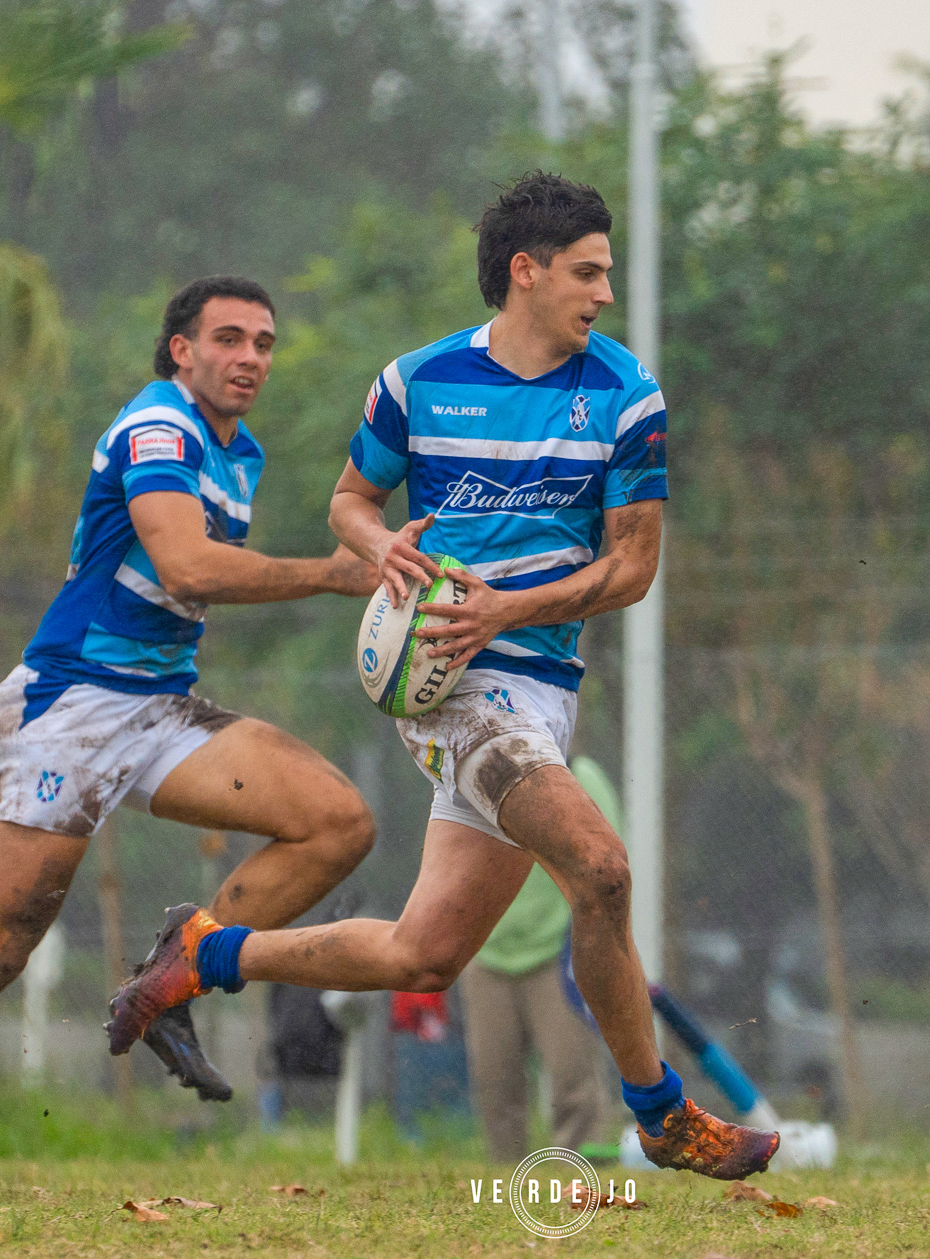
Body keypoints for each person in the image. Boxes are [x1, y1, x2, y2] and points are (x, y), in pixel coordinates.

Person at [106, 172, 779, 1180]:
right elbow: (347, 501)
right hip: (450, 691)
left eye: (606, 273)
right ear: (526, 272)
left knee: (423, 951)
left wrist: (510, 605)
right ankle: (663, 1112)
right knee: (601, 865)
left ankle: (200, 954)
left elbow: (633, 568)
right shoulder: (415, 381)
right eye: (587, 272)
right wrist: (382, 545)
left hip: (541, 688)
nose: (602, 292)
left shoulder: (628, 395)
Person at [0, 276, 379, 1195]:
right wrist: (334, 575)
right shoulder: (158, 428)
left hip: (160, 707)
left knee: (337, 821)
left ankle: (180, 970)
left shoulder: (238, 448)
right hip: (70, 710)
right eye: (229, 338)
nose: (251, 356)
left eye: (263, 342)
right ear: (181, 349)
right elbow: (186, 564)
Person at [460, 754, 615, 1163]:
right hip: (486, 952)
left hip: (557, 954)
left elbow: (607, 863)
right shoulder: (471, 772)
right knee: (495, 1084)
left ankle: (581, 1177)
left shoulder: (581, 775)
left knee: (572, 1081)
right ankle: (505, 1182)